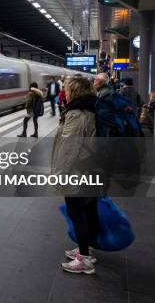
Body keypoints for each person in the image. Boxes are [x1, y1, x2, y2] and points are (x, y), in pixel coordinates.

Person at [51, 77, 99, 274]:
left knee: (76, 213)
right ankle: (87, 250)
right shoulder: (89, 109)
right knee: (88, 211)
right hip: (90, 169)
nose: (65, 92)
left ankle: (84, 260)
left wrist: (59, 176)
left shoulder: (77, 114)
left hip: (77, 172)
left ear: (75, 92)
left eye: (68, 90)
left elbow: (69, 148)